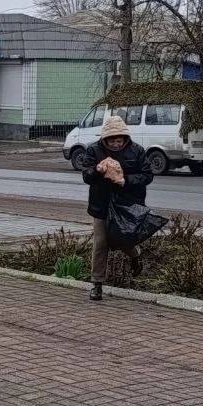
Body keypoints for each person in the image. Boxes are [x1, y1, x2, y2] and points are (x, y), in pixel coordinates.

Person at [79, 115, 153, 302]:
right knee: (101, 243)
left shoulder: (137, 151)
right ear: (105, 138)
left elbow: (147, 175)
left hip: (128, 205)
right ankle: (97, 284)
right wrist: (97, 170)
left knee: (124, 240)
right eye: (112, 140)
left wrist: (124, 181)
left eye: (119, 140)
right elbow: (86, 175)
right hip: (101, 205)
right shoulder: (94, 151)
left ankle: (135, 255)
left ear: (125, 138)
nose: (115, 144)